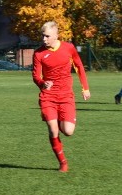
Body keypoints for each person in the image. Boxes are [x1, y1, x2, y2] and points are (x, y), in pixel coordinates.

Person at [32, 21, 91, 173]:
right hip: (48, 96)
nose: (44, 39)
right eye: (42, 36)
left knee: (69, 131)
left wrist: (85, 88)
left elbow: (79, 66)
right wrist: (42, 83)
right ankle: (63, 163)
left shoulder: (68, 48)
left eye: (47, 36)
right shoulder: (38, 53)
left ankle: (58, 120)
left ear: (56, 36)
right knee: (53, 131)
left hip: (66, 96)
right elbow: (35, 76)